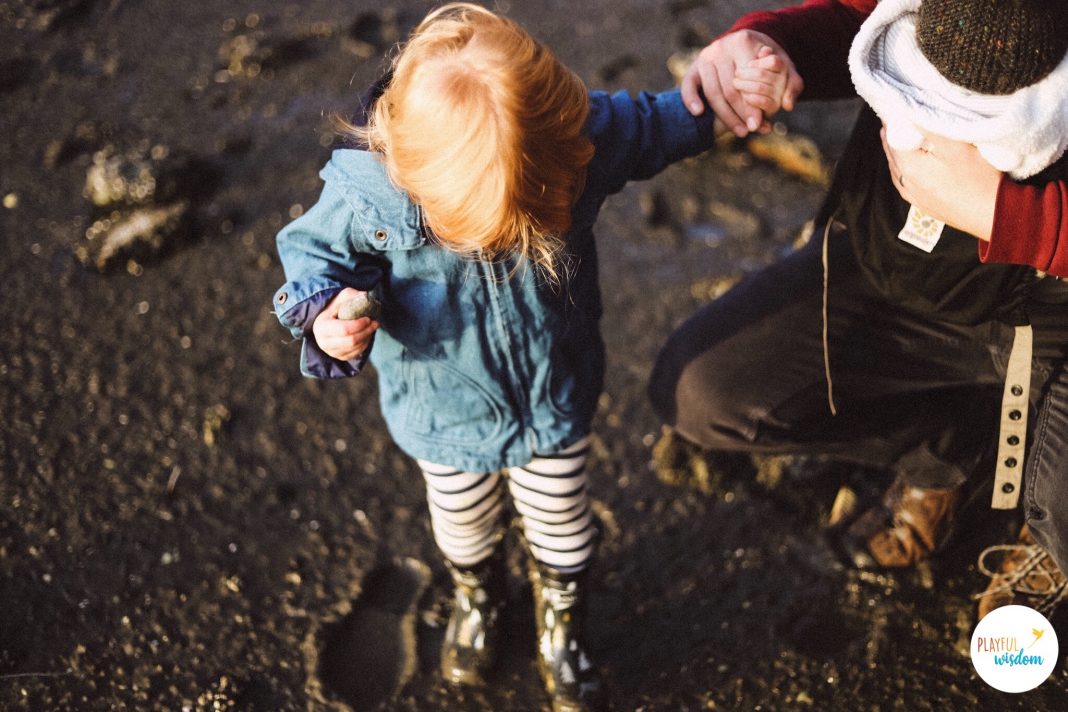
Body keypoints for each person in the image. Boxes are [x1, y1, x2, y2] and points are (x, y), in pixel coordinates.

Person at [271, 4, 739, 708]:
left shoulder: (567, 140)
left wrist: (726, 102)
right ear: (413, 174)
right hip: (442, 412)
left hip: (552, 397)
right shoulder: (368, 193)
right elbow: (309, 261)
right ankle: (479, 596)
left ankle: (561, 623)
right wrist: (325, 318)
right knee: (462, 522)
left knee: (562, 523)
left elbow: (651, 125)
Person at [651, 0, 1068, 621]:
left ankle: (1052, 539)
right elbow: (867, 15)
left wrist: (1020, 222)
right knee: (703, 390)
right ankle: (948, 445)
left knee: (1062, 518)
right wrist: (772, 46)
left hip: (1056, 310)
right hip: (912, 263)